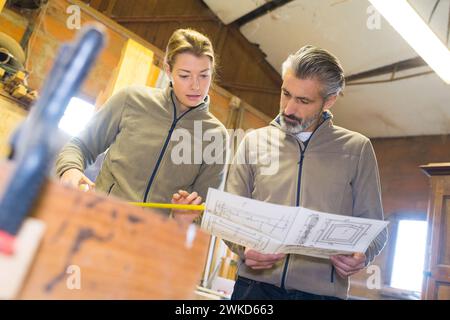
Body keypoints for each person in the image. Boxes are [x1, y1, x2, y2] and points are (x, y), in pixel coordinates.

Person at [224, 45, 388, 300]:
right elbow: (230, 216)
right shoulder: (253, 142)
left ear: (329, 100)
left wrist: (362, 255)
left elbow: (376, 230)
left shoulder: (357, 149)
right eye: (286, 94)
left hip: (320, 294)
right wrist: (242, 248)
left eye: (303, 100)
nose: (288, 109)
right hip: (253, 289)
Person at [55, 28, 228, 220]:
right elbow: (79, 146)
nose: (196, 86)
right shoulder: (130, 99)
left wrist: (184, 218)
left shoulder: (216, 136)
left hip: (153, 241)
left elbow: (206, 212)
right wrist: (70, 170)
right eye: (185, 76)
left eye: (204, 75)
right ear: (168, 70)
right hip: (97, 219)